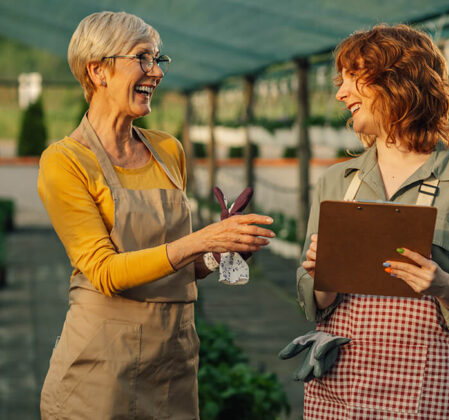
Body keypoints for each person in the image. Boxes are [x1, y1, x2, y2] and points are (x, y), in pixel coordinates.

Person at [38, 11, 274, 420]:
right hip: (101, 369)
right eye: (143, 58)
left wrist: (220, 251)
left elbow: (183, 265)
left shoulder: (168, 151)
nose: (156, 73)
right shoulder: (65, 161)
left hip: (173, 362)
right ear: (98, 71)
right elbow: (106, 272)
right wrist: (202, 239)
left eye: (158, 60)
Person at [296, 24, 449, 419]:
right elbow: (312, 299)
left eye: (354, 79)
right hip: (341, 381)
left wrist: (443, 285)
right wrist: (323, 278)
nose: (341, 94)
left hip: (426, 386)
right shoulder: (336, 182)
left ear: (397, 81)